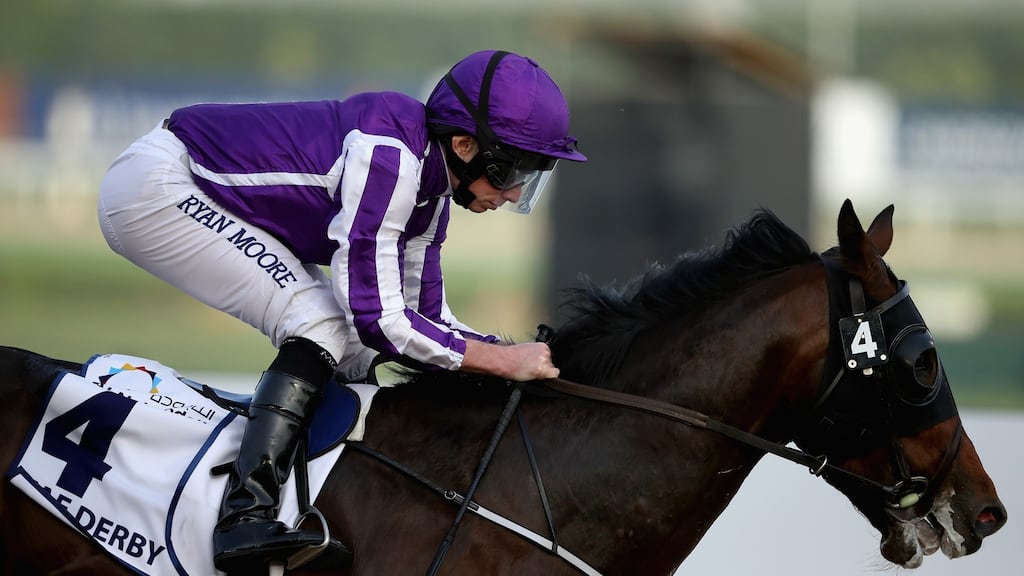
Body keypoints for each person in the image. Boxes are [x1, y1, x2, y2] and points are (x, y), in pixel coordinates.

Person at [96, 49, 586, 571]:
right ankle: (244, 514)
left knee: (349, 346)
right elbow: (381, 320)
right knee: (322, 321)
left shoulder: (432, 188)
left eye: (530, 173)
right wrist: (500, 361)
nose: (513, 193)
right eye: (508, 168)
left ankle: (321, 496)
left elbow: (431, 322)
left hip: (186, 183)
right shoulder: (390, 158)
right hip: (157, 186)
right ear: (464, 145)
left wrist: (509, 356)